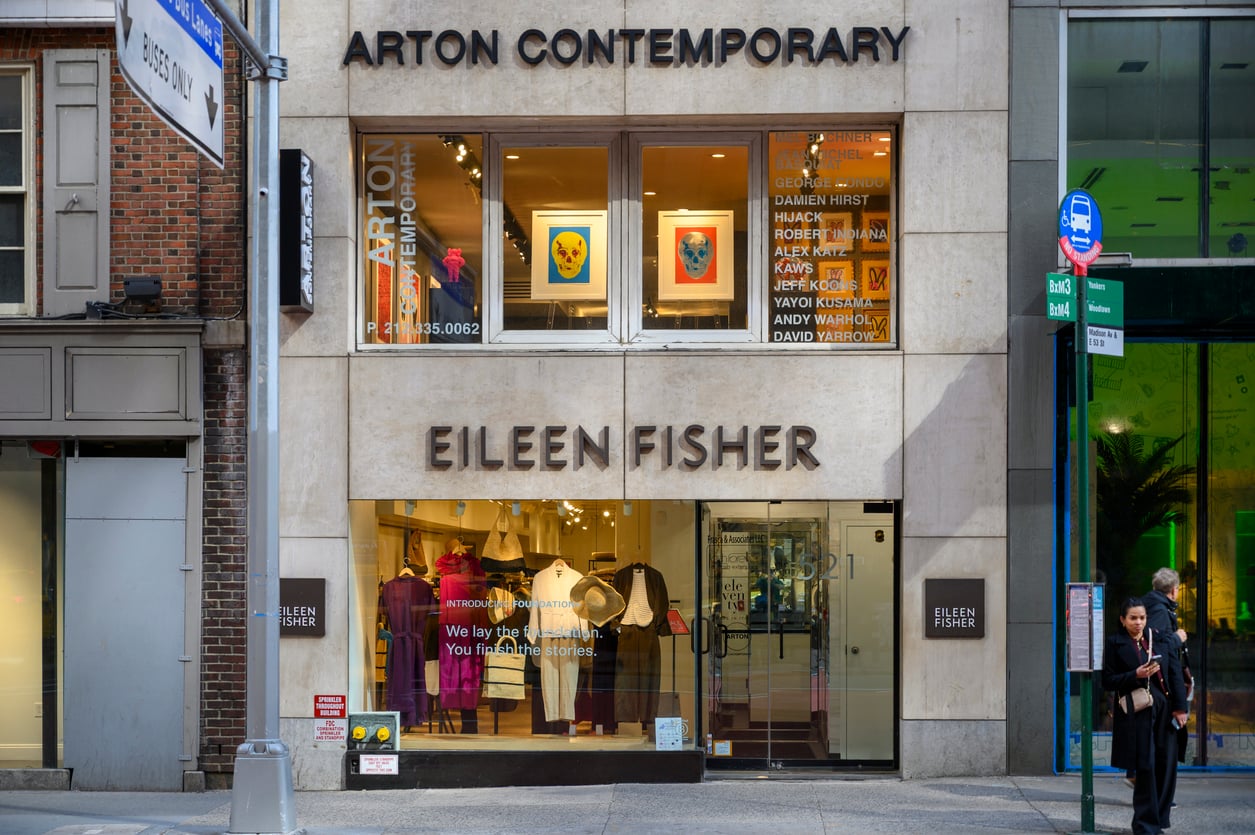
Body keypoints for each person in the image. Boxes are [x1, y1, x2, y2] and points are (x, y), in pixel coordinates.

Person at [1103, 597, 1188, 835]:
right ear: (1123, 620)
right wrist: (1135, 674)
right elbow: (1107, 681)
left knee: (1166, 765)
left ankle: (1159, 820)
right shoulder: (1115, 643)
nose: (1138, 622)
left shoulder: (1157, 638)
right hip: (1138, 710)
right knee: (1146, 767)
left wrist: (1180, 708)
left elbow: (1175, 672)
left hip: (1165, 708)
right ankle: (1144, 825)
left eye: (1142, 617)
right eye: (1133, 618)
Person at [1143, 566, 1193, 791]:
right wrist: (1177, 638)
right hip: (1162, 692)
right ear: (1174, 590)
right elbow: (1164, 655)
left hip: (1152, 689)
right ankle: (1159, 799)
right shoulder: (1161, 612)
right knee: (1165, 750)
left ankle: (1151, 791)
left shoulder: (1147, 607)